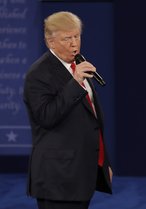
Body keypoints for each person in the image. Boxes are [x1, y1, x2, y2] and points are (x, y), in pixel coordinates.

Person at [23, 11, 112, 209]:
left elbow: (92, 120)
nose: (74, 43)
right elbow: (46, 117)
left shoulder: (77, 66)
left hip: (81, 175)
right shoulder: (38, 74)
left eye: (77, 36)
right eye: (67, 38)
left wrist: (104, 163)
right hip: (57, 179)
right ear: (50, 42)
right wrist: (75, 83)